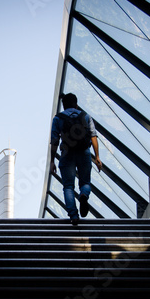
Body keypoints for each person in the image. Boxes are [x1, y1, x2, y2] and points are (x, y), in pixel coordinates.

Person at [50, 93, 103, 225]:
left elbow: (54, 141)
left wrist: (52, 161)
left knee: (68, 186)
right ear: (76, 103)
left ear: (64, 105)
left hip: (67, 154)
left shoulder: (58, 118)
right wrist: (97, 157)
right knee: (85, 182)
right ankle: (83, 195)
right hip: (84, 152)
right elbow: (93, 136)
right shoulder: (85, 116)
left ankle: (74, 216)